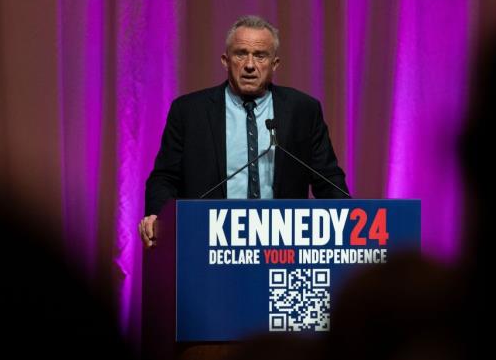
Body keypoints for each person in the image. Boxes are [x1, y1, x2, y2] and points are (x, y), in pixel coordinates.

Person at [139, 15, 349, 248]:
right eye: (241, 54)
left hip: (282, 243)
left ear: (274, 64)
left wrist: (350, 221)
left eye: (260, 56)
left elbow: (327, 178)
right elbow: (165, 178)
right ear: (225, 60)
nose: (250, 65)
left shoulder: (303, 110)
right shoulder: (189, 111)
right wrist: (160, 216)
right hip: (209, 241)